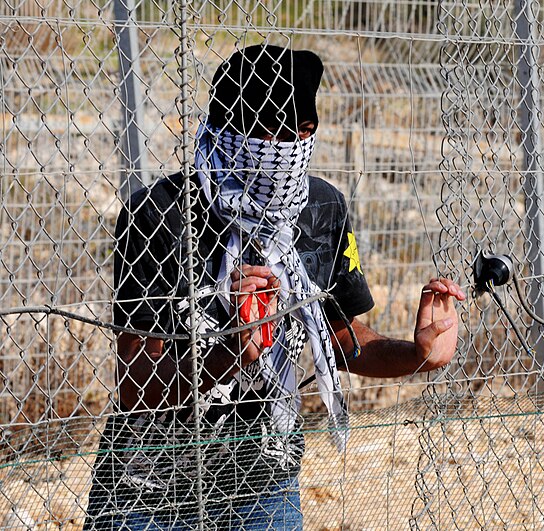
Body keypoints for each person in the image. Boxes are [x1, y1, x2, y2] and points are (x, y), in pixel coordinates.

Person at [83, 44, 465, 529]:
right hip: (151, 488)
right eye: (274, 133)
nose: (289, 152)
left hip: (263, 483)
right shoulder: (159, 214)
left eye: (303, 133)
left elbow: (344, 341)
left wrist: (417, 355)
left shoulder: (320, 209)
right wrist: (230, 352)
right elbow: (138, 386)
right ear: (230, 130)